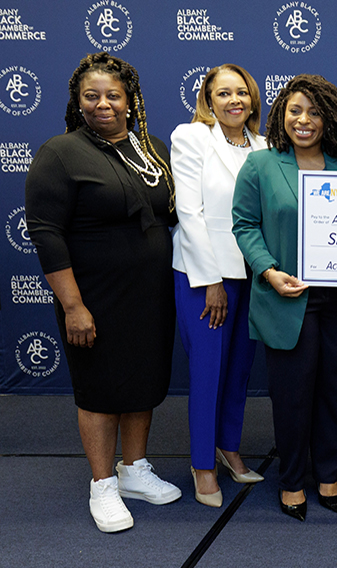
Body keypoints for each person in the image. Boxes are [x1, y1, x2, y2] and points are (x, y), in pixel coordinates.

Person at [25, 51, 180, 533]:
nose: (103, 104)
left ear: (130, 102)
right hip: (93, 296)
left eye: (113, 95)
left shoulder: (149, 146)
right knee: (99, 388)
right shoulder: (60, 152)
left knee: (142, 381)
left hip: (150, 294)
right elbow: (46, 233)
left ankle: (133, 470)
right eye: (91, 96)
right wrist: (73, 306)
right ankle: (102, 484)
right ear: (78, 101)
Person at [232, 74, 337, 521]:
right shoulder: (261, 164)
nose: (304, 120)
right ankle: (292, 481)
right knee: (291, 397)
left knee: (332, 391)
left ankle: (327, 472)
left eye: (314, 111)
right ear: (280, 116)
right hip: (286, 299)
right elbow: (245, 226)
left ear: (328, 117)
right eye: (295, 111)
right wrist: (268, 272)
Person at [170, 64, 267, 508]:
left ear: (252, 99)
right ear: (208, 100)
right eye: (223, 93)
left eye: (241, 93)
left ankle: (229, 447)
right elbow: (189, 213)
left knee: (239, 370)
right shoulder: (191, 138)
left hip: (254, 275)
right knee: (209, 371)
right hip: (204, 276)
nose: (234, 101)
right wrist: (210, 281)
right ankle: (202, 464)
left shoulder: (265, 147)